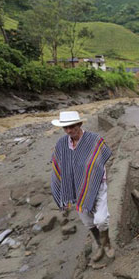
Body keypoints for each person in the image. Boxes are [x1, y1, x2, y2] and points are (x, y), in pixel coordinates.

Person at [50, 111, 114, 262]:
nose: (68, 131)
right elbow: (57, 166)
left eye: (71, 127)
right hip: (76, 191)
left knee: (101, 220)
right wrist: (62, 192)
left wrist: (91, 174)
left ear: (79, 124)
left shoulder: (93, 140)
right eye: (65, 127)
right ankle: (99, 245)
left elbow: (101, 158)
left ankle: (107, 243)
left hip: (97, 185)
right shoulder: (61, 144)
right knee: (88, 222)